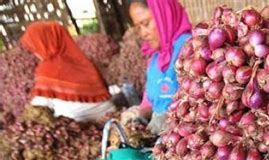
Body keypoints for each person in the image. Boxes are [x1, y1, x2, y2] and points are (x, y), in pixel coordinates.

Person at [20, 21, 115, 122]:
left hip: (80, 123)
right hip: (110, 115)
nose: (35, 53)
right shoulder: (84, 61)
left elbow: (40, 106)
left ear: (43, 44)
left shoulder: (48, 69)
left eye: (34, 48)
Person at [123, 0, 192, 134]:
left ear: (164, 15)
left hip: (188, 140)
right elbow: (148, 101)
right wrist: (140, 119)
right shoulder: (155, 58)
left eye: (146, 24)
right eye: (138, 27)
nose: (143, 33)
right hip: (163, 141)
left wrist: (169, 118)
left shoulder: (190, 47)